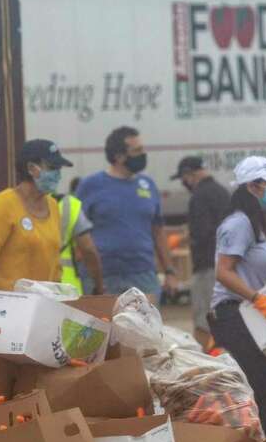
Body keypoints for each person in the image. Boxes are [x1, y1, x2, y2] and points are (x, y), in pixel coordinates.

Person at [209, 156, 266, 440]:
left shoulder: (253, 223)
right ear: (253, 186)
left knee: (263, 390)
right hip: (233, 315)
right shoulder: (238, 224)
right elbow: (223, 272)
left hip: (248, 315)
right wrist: (259, 299)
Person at [76, 126, 178, 299]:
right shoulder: (90, 185)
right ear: (119, 156)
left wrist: (169, 271)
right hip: (102, 279)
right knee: (102, 326)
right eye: (137, 150)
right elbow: (77, 232)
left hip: (143, 275)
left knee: (146, 326)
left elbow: (158, 231)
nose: (143, 154)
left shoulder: (148, 185)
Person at [0, 139, 73, 290]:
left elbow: (56, 268)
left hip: (42, 306)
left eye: (59, 169)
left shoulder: (52, 206)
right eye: (52, 168)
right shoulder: (5, 203)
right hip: (7, 306)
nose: (57, 174)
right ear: (32, 169)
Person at [173, 155, 230, 350]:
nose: (183, 183)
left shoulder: (199, 197)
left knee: (203, 319)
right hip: (227, 266)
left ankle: (201, 364)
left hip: (207, 266)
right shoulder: (222, 192)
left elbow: (202, 232)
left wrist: (185, 237)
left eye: (183, 179)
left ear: (189, 174)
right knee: (224, 319)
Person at [56, 178, 105, 295]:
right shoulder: (70, 206)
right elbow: (88, 249)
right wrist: (99, 285)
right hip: (67, 288)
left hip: (30, 288)